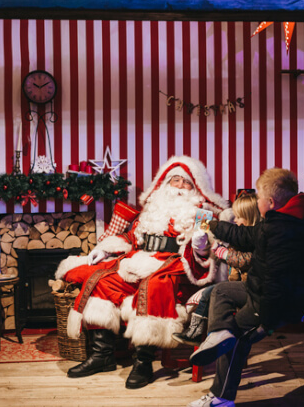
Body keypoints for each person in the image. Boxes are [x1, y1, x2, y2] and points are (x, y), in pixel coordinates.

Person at [54, 156, 228, 389]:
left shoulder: (204, 215)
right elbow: (132, 237)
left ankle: (143, 362)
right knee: (104, 280)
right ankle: (101, 356)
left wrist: (200, 245)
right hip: (142, 257)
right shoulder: (153, 209)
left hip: (178, 263)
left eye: (185, 182)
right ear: (164, 183)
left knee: (155, 282)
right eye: (174, 180)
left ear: (196, 187)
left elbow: (207, 252)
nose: (179, 186)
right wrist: (105, 250)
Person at [187, 168, 304, 407]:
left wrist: (264, 319)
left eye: (258, 197)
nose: (257, 201)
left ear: (269, 202)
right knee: (222, 290)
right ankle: (218, 333)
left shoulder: (284, 231)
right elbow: (245, 235)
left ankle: (221, 398)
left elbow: (278, 282)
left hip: (280, 302)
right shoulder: (282, 220)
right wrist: (210, 224)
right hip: (263, 291)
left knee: (236, 337)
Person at [172, 192, 260, 346]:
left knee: (211, 293)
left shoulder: (255, 239)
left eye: (238, 218)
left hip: (248, 287)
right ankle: (197, 332)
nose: (236, 221)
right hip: (236, 284)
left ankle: (202, 334)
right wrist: (207, 235)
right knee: (210, 293)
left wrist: (222, 252)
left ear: (249, 218)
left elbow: (245, 260)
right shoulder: (240, 236)